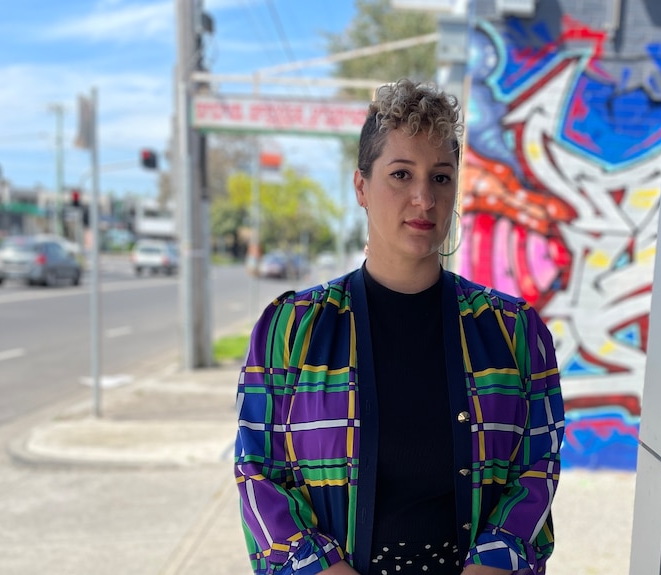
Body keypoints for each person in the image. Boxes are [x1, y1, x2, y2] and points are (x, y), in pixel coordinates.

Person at [234, 78, 565, 575]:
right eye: (401, 174)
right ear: (361, 186)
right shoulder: (290, 330)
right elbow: (257, 472)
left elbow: (539, 466)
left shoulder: (514, 333)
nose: (424, 199)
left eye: (440, 177)